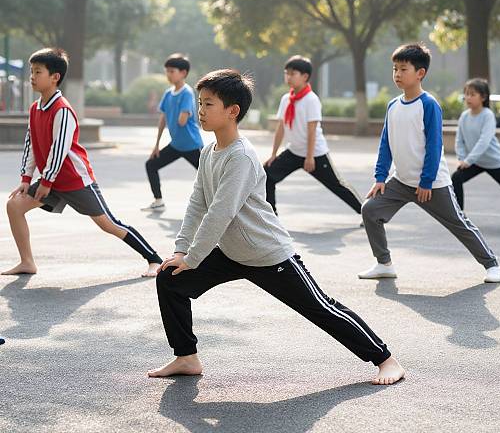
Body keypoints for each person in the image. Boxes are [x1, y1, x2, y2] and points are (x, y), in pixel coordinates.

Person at [148, 69, 405, 385]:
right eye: (200, 103)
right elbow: (197, 203)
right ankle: (186, 357)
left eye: (209, 104)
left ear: (233, 111)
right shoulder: (208, 152)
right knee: (170, 279)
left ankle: (385, 358)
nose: (201, 111)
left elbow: (220, 213)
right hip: (232, 252)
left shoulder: (240, 156)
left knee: (321, 309)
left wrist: (193, 258)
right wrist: (180, 251)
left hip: (268, 254)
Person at [2, 48, 162, 278]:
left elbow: (59, 150)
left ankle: (154, 259)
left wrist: (45, 181)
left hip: (75, 180)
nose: (32, 77)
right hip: (52, 180)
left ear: (55, 77)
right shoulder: (35, 108)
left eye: (38, 72)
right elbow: (31, 144)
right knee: (14, 206)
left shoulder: (63, 110)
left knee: (108, 224)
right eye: (32, 71)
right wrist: (26, 179)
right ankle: (27, 262)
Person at [358, 43, 500, 284]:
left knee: (458, 223)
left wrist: (426, 181)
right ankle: (384, 263)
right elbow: (386, 144)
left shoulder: (428, 104)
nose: (397, 74)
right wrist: (380, 178)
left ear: (420, 73)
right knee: (370, 210)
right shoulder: (393, 106)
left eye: (403, 69)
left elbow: (434, 147)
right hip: (401, 180)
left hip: (432, 184)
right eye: (394, 69)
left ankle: (492, 264)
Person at [264, 55, 363, 220]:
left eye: (292, 73)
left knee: (337, 185)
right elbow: (281, 128)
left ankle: (366, 214)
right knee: (266, 175)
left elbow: (312, 131)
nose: (288, 77)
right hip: (294, 152)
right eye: (286, 73)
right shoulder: (286, 99)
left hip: (315, 154)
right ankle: (271, 217)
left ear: (305, 76)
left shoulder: (311, 100)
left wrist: (310, 157)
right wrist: (274, 154)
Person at [142, 53, 203, 212]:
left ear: (183, 73)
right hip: (176, 145)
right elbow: (163, 119)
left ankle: (218, 206)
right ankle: (158, 201)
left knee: (208, 176)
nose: (168, 74)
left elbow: (182, 121)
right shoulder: (168, 94)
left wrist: (178, 112)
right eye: (167, 71)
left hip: (192, 145)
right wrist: (156, 145)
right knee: (151, 165)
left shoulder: (187, 93)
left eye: (172, 71)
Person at [451, 78, 500, 210]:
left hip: (494, 162)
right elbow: (459, 140)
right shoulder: (464, 116)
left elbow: (484, 141)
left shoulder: (488, 115)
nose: (468, 97)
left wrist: (468, 160)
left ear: (483, 97)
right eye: (466, 94)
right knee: (456, 178)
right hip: (475, 163)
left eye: (472, 94)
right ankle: (459, 216)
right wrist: (462, 158)